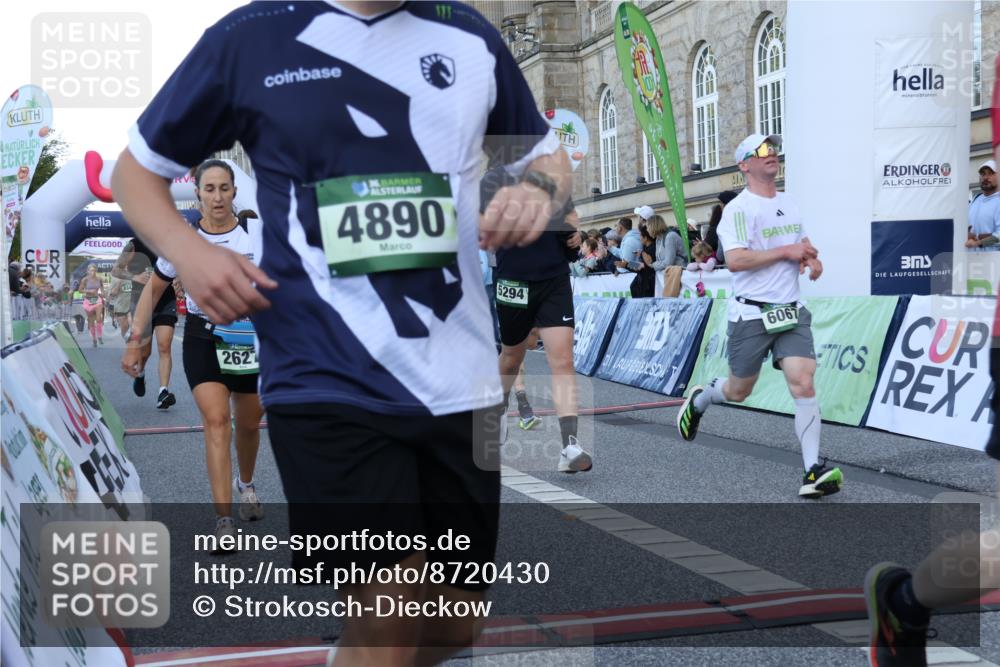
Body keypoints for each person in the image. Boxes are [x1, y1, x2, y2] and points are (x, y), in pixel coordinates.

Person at [110, 2, 571, 664]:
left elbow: (550, 158)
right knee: (389, 606)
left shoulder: (468, 33)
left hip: (460, 381)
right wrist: (190, 250)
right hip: (322, 372)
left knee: (454, 623)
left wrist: (536, 187)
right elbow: (134, 170)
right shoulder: (251, 37)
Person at [676, 133, 843, 499]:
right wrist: (787, 251)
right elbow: (736, 260)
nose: (773, 155)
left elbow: (802, 245)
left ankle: (812, 470)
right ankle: (702, 398)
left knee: (804, 381)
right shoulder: (738, 209)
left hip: (791, 312)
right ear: (744, 164)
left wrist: (810, 259)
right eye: (764, 151)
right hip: (751, 313)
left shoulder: (790, 203)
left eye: (775, 150)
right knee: (739, 390)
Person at [121, 160, 265, 549]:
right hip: (204, 335)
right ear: (197, 194)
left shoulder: (257, 236)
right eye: (209, 189)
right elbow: (153, 290)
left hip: (249, 338)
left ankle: (246, 483)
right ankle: (223, 519)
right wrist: (136, 339)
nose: (217, 197)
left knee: (249, 423)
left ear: (234, 192)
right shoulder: (183, 239)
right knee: (217, 420)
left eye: (224, 188)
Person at [481, 166, 591, 473]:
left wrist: (573, 238)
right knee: (512, 356)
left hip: (553, 280)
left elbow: (568, 228)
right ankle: (499, 407)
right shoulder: (493, 179)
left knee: (563, 360)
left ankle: (570, 446)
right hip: (513, 282)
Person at [113, 236, 178, 409]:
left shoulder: (169, 241)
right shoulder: (134, 244)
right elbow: (116, 270)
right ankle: (140, 375)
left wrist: (180, 281)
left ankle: (163, 391)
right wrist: (135, 277)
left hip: (166, 299)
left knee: (165, 345)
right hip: (141, 301)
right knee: (145, 352)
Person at [644, 214, 687, 297]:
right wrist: (653, 264)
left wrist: (652, 265)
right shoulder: (658, 239)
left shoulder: (670, 237)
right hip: (671, 274)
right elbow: (660, 260)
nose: (647, 230)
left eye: (647, 227)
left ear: (653, 226)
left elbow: (668, 262)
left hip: (681, 273)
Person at [965, 159, 1000, 248]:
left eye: (991, 173)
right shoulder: (975, 199)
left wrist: (978, 240)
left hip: (994, 259)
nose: (985, 177)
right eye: (983, 174)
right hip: (972, 258)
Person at [77, 265, 105, 347]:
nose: (93, 272)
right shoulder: (85, 280)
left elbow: (102, 288)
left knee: (99, 318)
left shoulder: (99, 279)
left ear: (96, 271)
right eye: (91, 270)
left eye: (94, 270)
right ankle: (94, 339)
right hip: (88, 301)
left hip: (97, 300)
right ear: (88, 271)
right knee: (91, 321)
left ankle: (99, 336)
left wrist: (103, 293)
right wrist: (88, 292)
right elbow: (80, 290)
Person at [109, 274, 132, 339]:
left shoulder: (134, 278)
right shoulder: (116, 280)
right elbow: (113, 293)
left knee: (131, 320)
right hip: (120, 307)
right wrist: (119, 282)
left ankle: (133, 337)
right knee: (124, 328)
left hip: (131, 305)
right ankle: (127, 339)